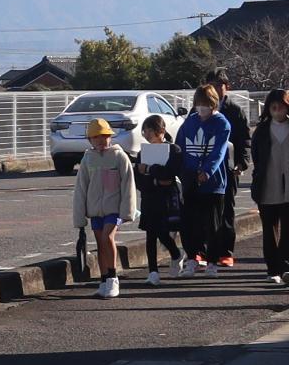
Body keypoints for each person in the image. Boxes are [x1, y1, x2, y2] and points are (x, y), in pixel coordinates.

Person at [71, 118, 137, 299]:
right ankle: (104, 280)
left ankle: (113, 278)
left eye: (105, 136)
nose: (101, 140)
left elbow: (128, 185)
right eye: (96, 137)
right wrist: (80, 216)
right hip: (95, 210)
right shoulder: (87, 158)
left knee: (108, 237)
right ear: (90, 140)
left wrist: (127, 211)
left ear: (110, 137)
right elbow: (81, 187)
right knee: (100, 243)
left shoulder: (119, 156)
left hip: (114, 209)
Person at [174, 84, 234, 274]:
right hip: (190, 180)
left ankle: (212, 261)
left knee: (212, 224)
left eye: (206, 103)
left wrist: (207, 171)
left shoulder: (222, 123)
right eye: (199, 103)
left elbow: (219, 152)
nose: (202, 107)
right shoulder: (190, 122)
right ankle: (193, 258)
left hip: (214, 183)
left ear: (213, 103)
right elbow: (179, 146)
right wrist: (179, 171)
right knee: (189, 224)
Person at [133, 114, 184, 285]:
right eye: (145, 131)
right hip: (149, 197)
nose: (147, 134)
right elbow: (139, 179)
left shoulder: (173, 150)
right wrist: (155, 179)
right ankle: (153, 272)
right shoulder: (142, 152)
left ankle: (176, 253)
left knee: (163, 231)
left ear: (161, 130)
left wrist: (149, 169)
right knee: (150, 234)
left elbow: (169, 174)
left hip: (167, 198)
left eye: (150, 130)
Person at [211, 69, 250, 268]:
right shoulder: (198, 109)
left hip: (228, 167)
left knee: (227, 209)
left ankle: (226, 252)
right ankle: (206, 251)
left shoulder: (235, 110)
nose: (215, 89)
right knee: (206, 211)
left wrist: (242, 162)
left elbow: (244, 138)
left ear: (227, 87)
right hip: (206, 169)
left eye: (219, 85)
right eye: (211, 84)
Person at [250, 89, 289, 285]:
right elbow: (256, 156)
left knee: (288, 230)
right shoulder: (263, 130)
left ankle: (285, 266)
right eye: (273, 107)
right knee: (269, 229)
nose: (277, 110)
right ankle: (273, 269)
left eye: (281, 107)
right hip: (268, 184)